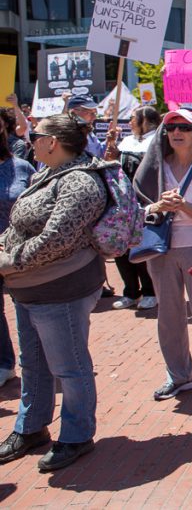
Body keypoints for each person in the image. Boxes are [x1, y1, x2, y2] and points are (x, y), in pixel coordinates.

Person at [0, 114, 110, 471]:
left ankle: (77, 435)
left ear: (52, 141)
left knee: (70, 366)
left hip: (61, 289)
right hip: (29, 289)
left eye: (36, 134)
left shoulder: (80, 182)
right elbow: (18, 225)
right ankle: (31, 427)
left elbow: (57, 239)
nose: (29, 139)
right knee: (33, 364)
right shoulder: (46, 173)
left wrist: (10, 261)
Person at [134, 109, 192, 404]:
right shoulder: (155, 167)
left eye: (184, 128)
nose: (176, 132)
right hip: (161, 250)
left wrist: (185, 206)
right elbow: (137, 209)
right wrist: (158, 207)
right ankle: (179, 376)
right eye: (171, 127)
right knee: (169, 316)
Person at [110, 106, 161, 311]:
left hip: (144, 202)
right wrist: (112, 149)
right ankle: (131, 291)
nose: (130, 122)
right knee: (121, 249)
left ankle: (150, 291)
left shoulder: (157, 141)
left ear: (145, 120)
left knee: (140, 248)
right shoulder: (126, 141)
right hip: (122, 203)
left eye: (133, 118)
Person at [0, 117, 35, 388]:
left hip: (20, 251)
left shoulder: (22, 166)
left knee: (27, 309)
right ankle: (3, 363)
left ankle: (35, 363)